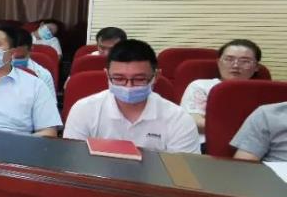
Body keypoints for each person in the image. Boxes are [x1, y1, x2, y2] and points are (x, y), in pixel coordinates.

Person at [63, 39, 199, 153]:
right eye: (119, 78)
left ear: (156, 76)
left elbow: (182, 172)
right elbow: (74, 162)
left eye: (139, 79)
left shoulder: (178, 119)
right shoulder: (84, 110)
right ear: (107, 75)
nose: (128, 86)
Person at [181, 39, 263, 134]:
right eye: (229, 59)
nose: (235, 65)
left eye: (245, 61)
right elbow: (193, 120)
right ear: (219, 62)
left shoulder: (263, 92)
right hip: (208, 139)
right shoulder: (201, 86)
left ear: (256, 67)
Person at [11, 29, 56, 95]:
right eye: (11, 55)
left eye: (20, 58)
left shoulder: (43, 75)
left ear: (31, 49)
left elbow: (50, 101)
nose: (14, 60)